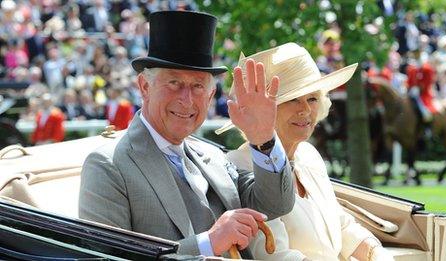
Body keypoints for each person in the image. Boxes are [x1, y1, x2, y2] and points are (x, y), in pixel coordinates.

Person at [79, 11, 294, 258]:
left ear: (211, 96)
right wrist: (208, 243)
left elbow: (276, 204)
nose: (186, 100)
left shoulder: (212, 155)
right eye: (174, 83)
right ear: (145, 87)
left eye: (197, 86)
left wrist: (263, 138)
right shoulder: (109, 165)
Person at [221, 43, 393, 261]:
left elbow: (340, 224)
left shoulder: (308, 155)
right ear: (263, 110)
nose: (305, 110)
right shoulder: (239, 165)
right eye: (292, 99)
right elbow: (274, 255)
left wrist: (375, 253)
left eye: (312, 99)